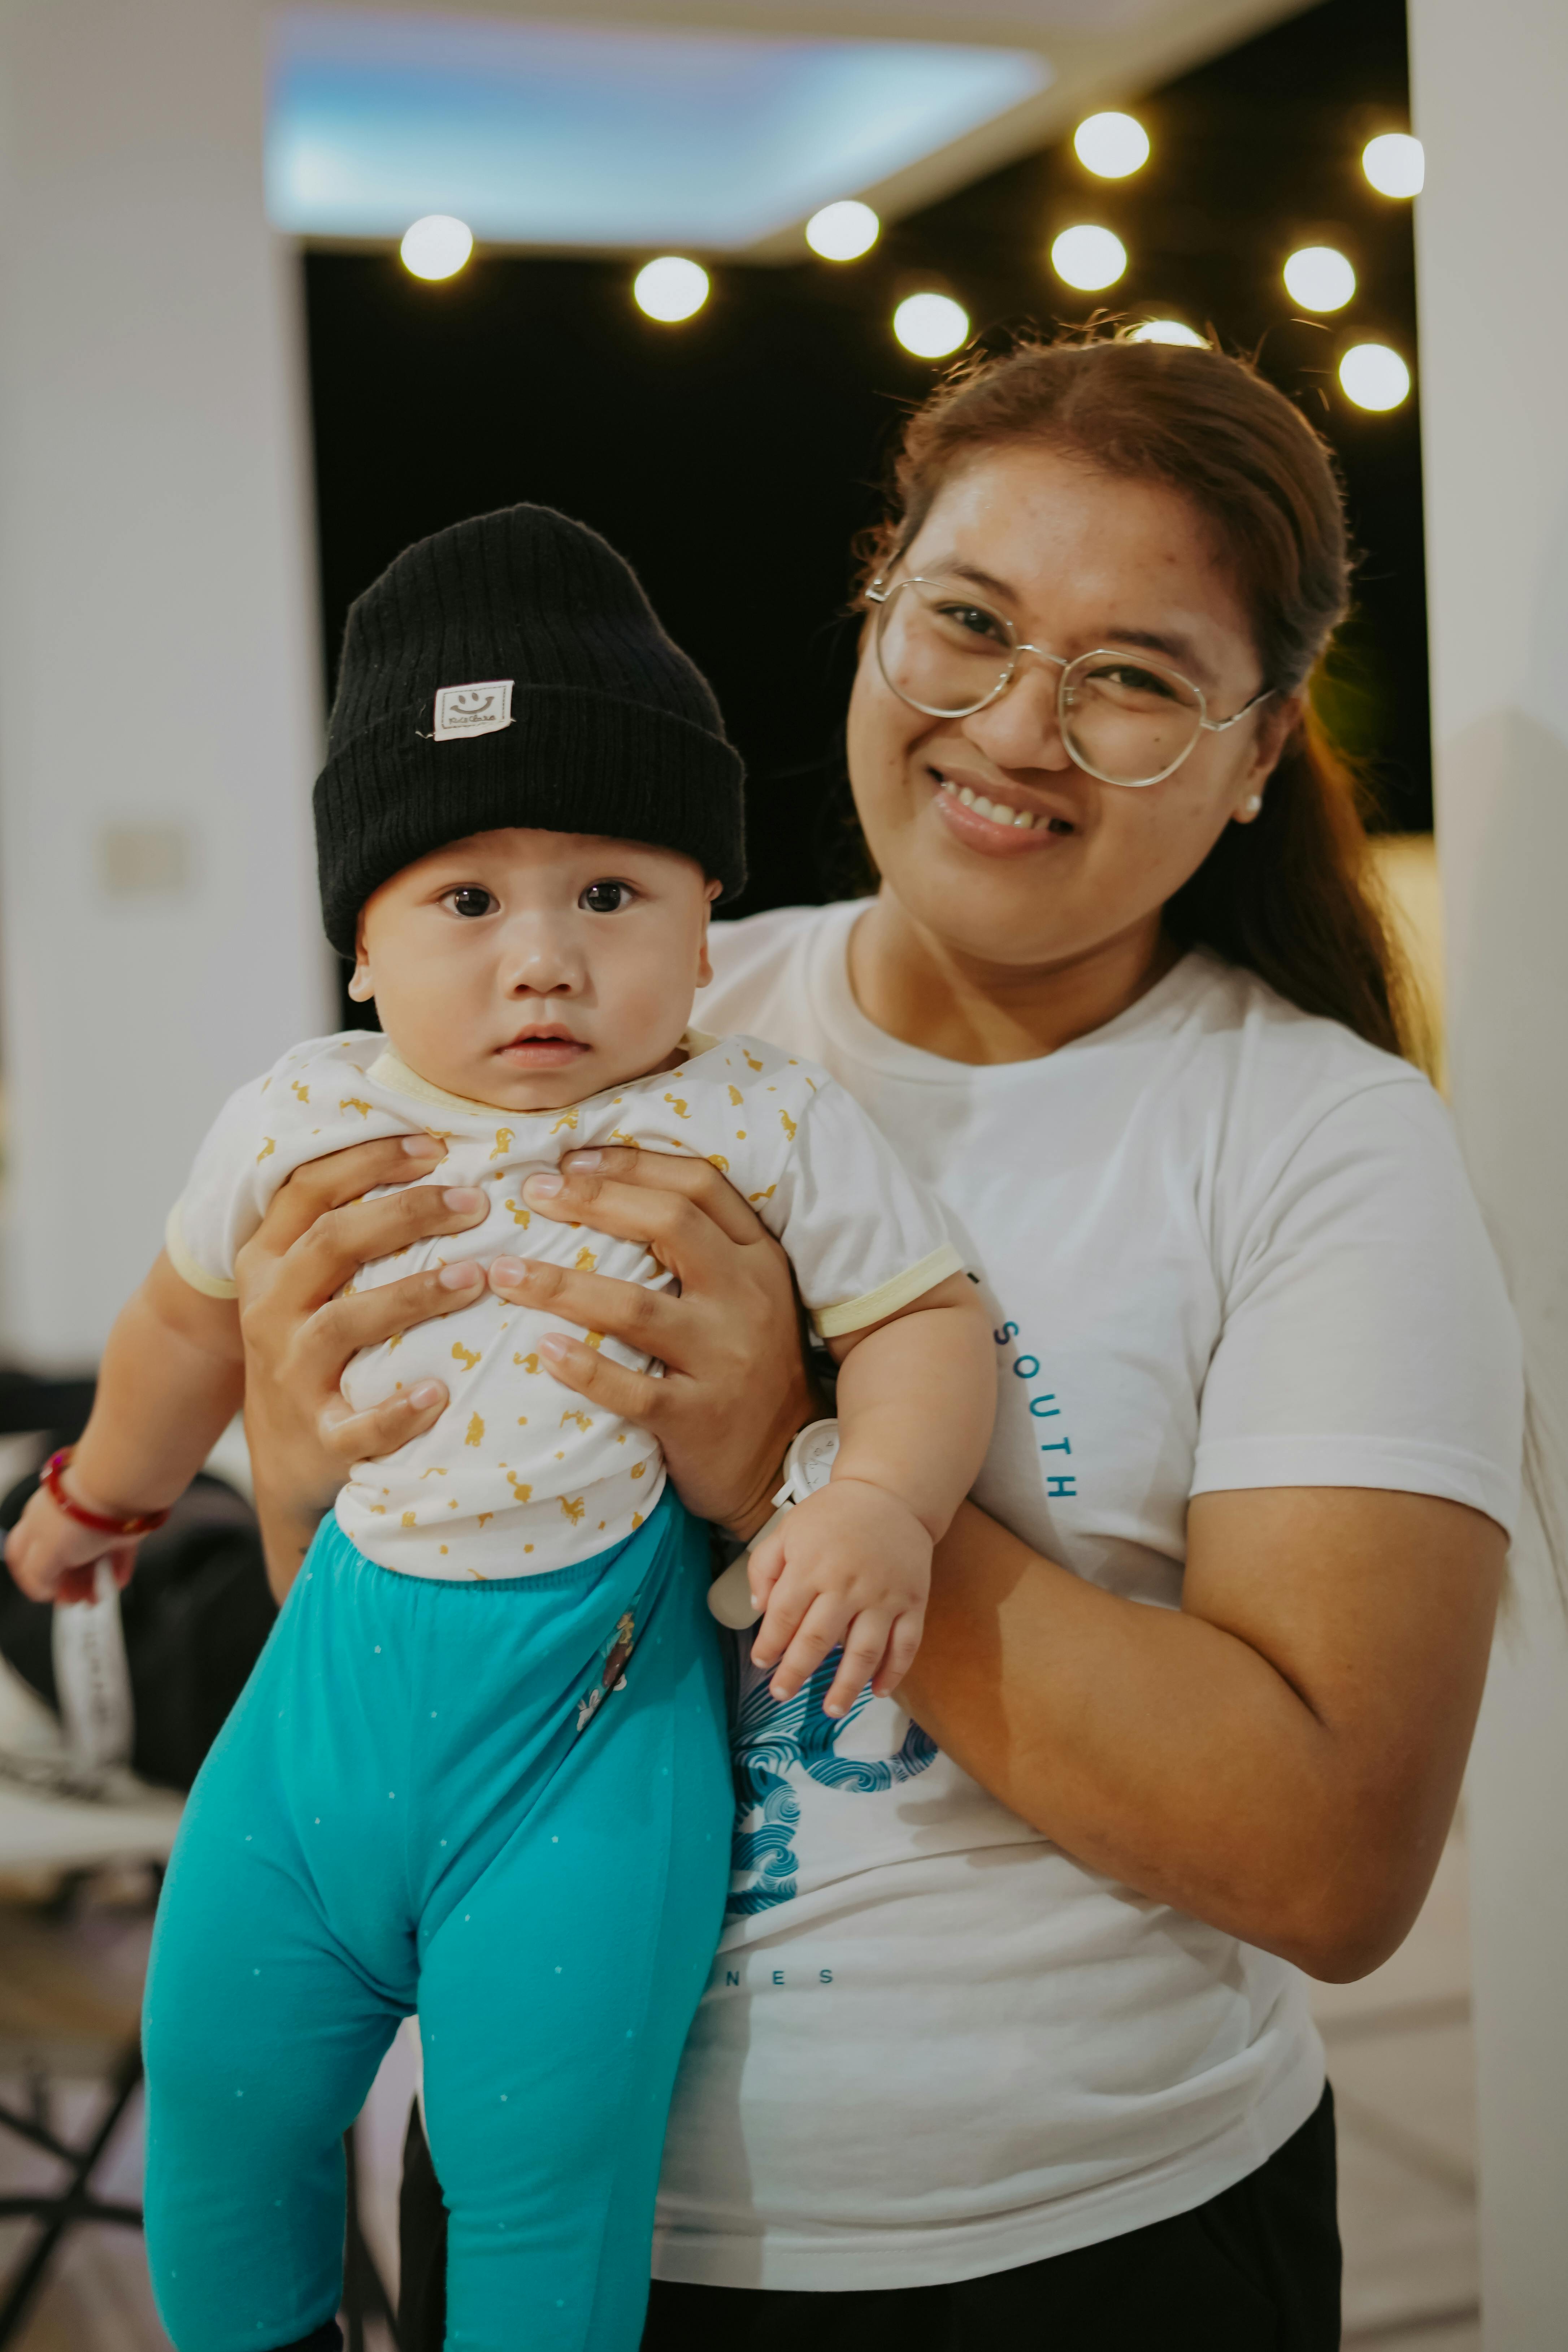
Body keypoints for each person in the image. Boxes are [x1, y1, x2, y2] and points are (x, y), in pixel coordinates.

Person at [228, 335, 1521, 2352]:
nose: (1019, 727)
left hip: (1074, 2257)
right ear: (874, 608)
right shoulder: (607, 1004)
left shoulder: (1315, 1139)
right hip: (526, 2206)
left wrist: (794, 1461)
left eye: (1132, 679)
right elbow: (349, 1620)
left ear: (1257, 748)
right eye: (971, 626)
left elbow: (1331, 1857)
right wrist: (306, 1449)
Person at [4, 507, 992, 2352]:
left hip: (586, 1758)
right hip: (304, 1750)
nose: (542, 961)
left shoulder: (756, 1119)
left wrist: (880, 1498)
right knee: (214, 2116)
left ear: (709, 931)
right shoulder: (294, 1114)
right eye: (468, 901)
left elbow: (930, 1324)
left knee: (541, 2177)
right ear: (361, 949)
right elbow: (179, 1323)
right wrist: (98, 1493)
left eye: (611, 895)